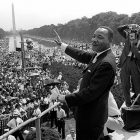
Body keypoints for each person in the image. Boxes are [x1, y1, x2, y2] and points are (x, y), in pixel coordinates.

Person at [54, 26, 116, 140]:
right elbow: (81, 55)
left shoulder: (106, 63)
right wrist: (62, 46)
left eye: (100, 37)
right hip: (89, 115)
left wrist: (65, 98)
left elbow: (91, 92)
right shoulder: (99, 55)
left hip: (92, 118)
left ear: (110, 41)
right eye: (93, 36)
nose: (94, 39)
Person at [117, 24, 140, 107]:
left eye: (136, 29)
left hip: (135, 63)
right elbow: (119, 29)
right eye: (134, 29)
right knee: (125, 84)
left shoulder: (137, 39)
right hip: (125, 62)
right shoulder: (128, 35)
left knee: (137, 84)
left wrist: (134, 46)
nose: (134, 30)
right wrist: (127, 26)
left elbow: (138, 55)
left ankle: (138, 101)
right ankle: (128, 102)